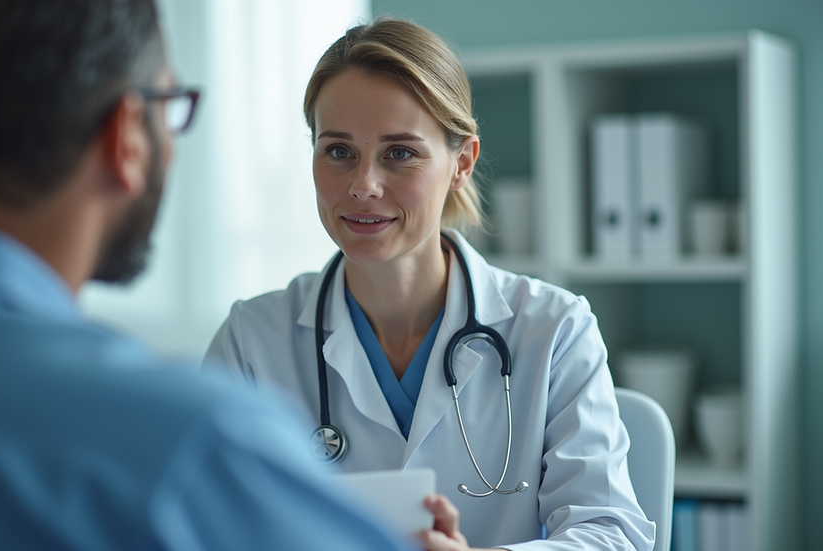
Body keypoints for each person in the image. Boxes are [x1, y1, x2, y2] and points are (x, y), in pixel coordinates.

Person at [0, 2, 419, 550]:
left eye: (400, 154)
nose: (364, 183)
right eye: (168, 106)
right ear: (128, 137)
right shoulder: (187, 450)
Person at [203, 17, 656, 551]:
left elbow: (610, 533)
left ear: (461, 162)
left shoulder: (554, 330)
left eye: (400, 152)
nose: (363, 186)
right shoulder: (251, 341)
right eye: (339, 151)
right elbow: (203, 524)